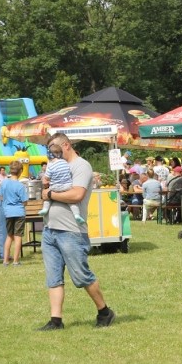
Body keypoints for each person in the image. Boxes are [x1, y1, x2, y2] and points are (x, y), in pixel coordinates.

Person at [38, 132, 115, 330]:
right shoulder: (55, 165)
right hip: (49, 229)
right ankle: (56, 320)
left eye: (55, 149)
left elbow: (77, 195)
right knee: (53, 278)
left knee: (81, 276)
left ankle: (104, 311)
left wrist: (51, 194)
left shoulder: (81, 166)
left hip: (71, 230)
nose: (52, 154)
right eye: (50, 151)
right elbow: (45, 191)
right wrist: (46, 191)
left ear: (66, 145)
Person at [39, 143, 85, 224]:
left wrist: (46, 180)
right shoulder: (65, 163)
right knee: (71, 202)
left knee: (48, 197)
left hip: (55, 187)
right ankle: (76, 214)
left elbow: (46, 178)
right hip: (67, 186)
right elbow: (69, 172)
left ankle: (45, 209)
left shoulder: (51, 166)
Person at [0, 160, 28, 267]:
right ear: (20, 171)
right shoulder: (20, 186)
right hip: (19, 212)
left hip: (7, 212)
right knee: (18, 236)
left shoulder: (4, 182)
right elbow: (24, 201)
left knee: (9, 236)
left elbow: (1, 197)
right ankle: (15, 261)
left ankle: (5, 261)